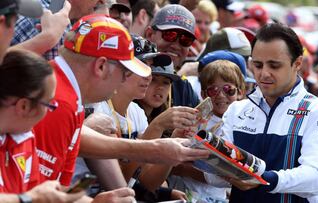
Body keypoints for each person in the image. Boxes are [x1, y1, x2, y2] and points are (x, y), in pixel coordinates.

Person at [33, 13, 209, 188]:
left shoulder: (63, 91)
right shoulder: (59, 101)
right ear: (101, 66)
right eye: (125, 71)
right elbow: (36, 195)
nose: (124, 80)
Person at [219, 23, 318, 203]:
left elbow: (317, 177)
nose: (264, 74)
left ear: (297, 63)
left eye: (274, 66)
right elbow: (216, 177)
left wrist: (264, 179)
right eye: (258, 65)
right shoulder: (237, 109)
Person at [0, 49, 85, 202]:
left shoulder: (25, 137)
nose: (50, 110)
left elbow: (36, 193)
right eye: (49, 103)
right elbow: (33, 197)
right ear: (24, 106)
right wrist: (28, 199)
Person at [173, 57, 247, 202]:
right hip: (184, 192)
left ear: (240, 92)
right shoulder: (194, 119)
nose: (220, 95)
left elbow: (233, 176)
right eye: (213, 90)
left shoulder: (243, 126)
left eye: (228, 89)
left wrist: (187, 169)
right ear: (203, 94)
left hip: (217, 197)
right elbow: (176, 160)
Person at [145, 4, 200, 107]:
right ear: (149, 34)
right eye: (170, 35)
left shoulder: (183, 88)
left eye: (186, 40)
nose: (176, 46)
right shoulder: (129, 76)